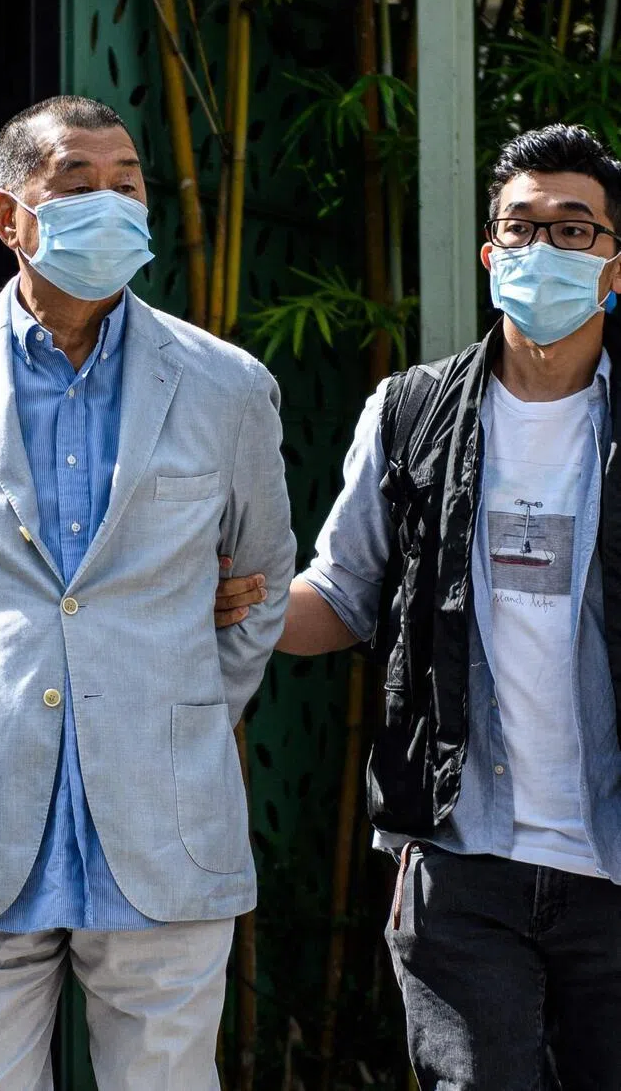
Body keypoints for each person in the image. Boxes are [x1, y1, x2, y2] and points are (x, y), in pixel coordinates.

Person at [0, 94, 296, 1090]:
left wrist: (184, 702)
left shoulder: (227, 384)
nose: (111, 204)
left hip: (161, 803)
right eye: (76, 186)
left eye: (127, 186)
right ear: (10, 217)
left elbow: (258, 584)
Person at [279, 124, 621, 1090]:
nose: (543, 251)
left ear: (615, 267)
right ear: (489, 255)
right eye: (521, 229)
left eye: (575, 230)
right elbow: (340, 595)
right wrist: (226, 599)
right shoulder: (411, 411)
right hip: (464, 856)